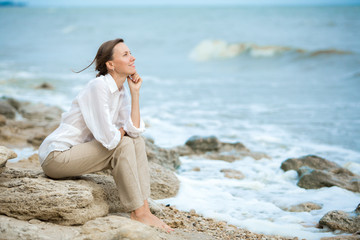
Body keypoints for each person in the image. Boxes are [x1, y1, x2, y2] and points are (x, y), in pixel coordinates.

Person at [38, 38, 173, 232]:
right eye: (125, 55)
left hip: (78, 154)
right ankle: (139, 212)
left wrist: (135, 93)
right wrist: (121, 131)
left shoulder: (121, 91)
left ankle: (143, 207)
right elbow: (109, 139)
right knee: (123, 144)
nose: (133, 58)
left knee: (136, 141)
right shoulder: (98, 87)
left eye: (130, 53)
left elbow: (134, 131)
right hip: (57, 157)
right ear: (110, 64)